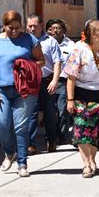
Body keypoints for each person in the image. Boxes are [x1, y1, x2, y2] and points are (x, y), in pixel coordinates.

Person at [0, 10, 45, 177]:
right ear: (4, 26)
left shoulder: (29, 39)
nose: (14, 31)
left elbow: (41, 60)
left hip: (25, 90)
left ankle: (22, 163)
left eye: (18, 27)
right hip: (1, 89)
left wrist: (28, 67)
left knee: (21, 126)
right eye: (11, 28)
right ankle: (9, 152)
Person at [63, 19, 99, 178]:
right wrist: (70, 99)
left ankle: (93, 160)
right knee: (81, 128)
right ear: (94, 35)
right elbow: (71, 77)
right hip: (80, 93)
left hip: (98, 93)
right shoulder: (79, 49)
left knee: (94, 129)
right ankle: (86, 164)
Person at [27, 14, 62, 154]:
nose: (32, 28)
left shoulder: (50, 42)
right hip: (31, 82)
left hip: (47, 80)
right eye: (29, 26)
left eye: (35, 26)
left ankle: (51, 140)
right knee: (31, 113)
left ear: (41, 26)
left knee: (49, 112)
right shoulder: (24, 40)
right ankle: (31, 144)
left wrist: (54, 80)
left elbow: (57, 62)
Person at [46, 19, 75, 144]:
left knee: (63, 108)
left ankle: (63, 134)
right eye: (53, 28)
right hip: (48, 80)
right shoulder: (45, 43)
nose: (55, 31)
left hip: (63, 80)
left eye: (58, 28)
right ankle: (54, 133)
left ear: (63, 30)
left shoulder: (70, 45)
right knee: (51, 110)